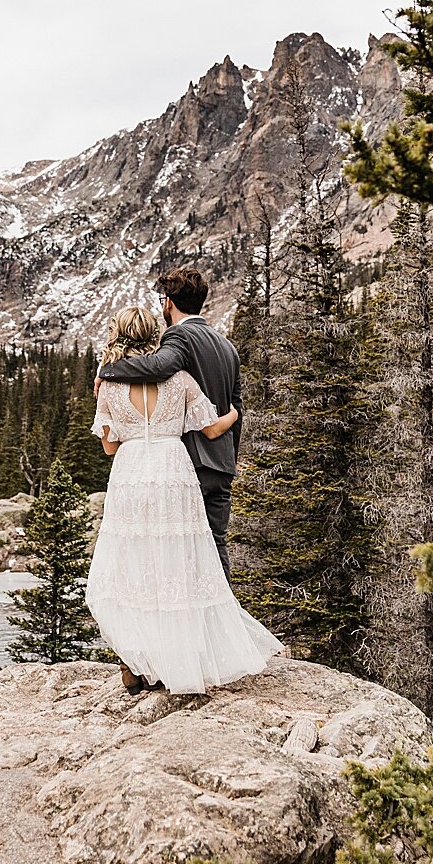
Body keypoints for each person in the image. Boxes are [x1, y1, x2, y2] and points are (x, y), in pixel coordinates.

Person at [85, 305, 282, 695]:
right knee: (178, 560)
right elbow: (211, 429)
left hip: (131, 473)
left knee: (133, 562)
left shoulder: (107, 385)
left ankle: (135, 660)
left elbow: (109, 446)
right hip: (172, 470)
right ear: (153, 336)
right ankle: (179, 658)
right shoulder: (180, 380)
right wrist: (234, 413)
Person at [96, 267, 242, 576]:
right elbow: (235, 405)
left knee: (180, 555)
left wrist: (105, 372)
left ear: (168, 303)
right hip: (222, 462)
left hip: (189, 464)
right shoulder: (227, 346)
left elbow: (158, 369)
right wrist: (230, 458)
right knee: (216, 545)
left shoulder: (178, 335)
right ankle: (219, 618)